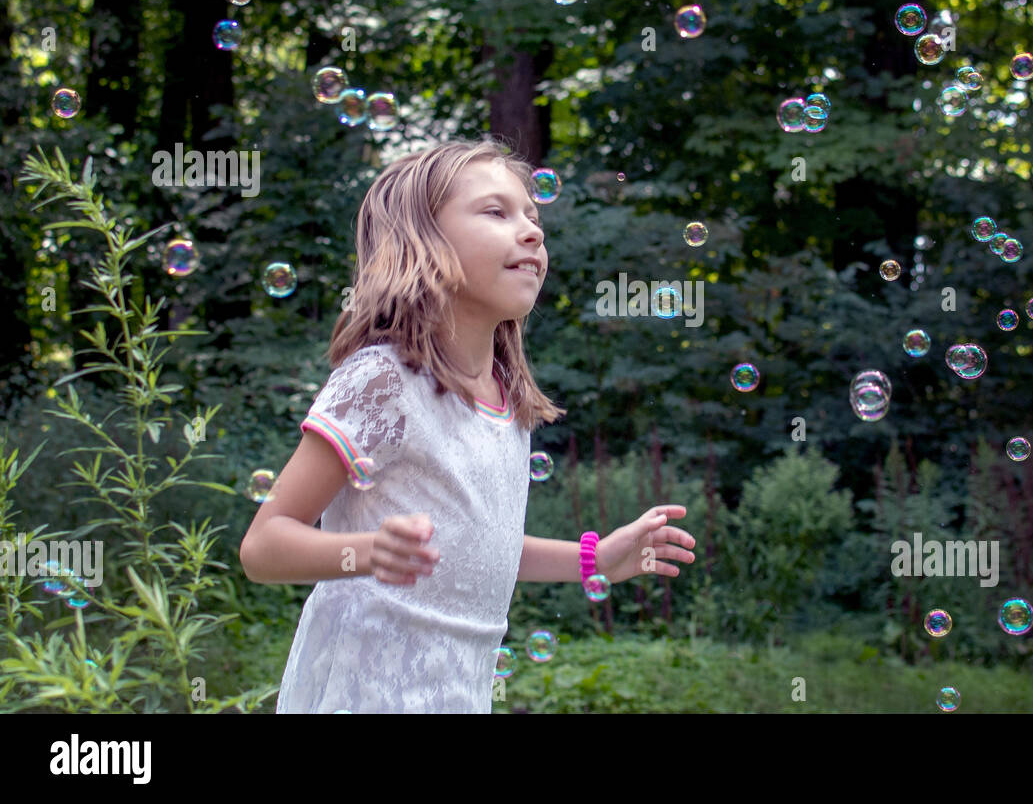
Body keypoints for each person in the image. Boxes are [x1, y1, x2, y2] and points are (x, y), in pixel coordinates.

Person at [239, 137, 696, 713]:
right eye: (497, 212)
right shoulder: (382, 382)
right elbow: (263, 545)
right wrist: (364, 551)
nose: (533, 231)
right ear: (423, 240)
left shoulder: (508, 400)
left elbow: (483, 549)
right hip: (363, 694)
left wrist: (595, 558)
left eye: (533, 217)